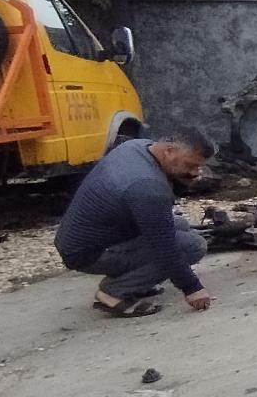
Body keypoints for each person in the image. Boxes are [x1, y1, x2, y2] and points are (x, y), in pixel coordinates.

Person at [54, 127, 216, 318]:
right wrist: (192, 288)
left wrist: (185, 179)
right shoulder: (146, 186)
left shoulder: (136, 147)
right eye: (190, 165)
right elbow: (165, 247)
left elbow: (158, 203)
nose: (195, 172)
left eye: (198, 166)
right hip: (88, 253)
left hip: (83, 239)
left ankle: (135, 280)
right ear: (169, 151)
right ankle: (114, 293)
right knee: (193, 246)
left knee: (180, 225)